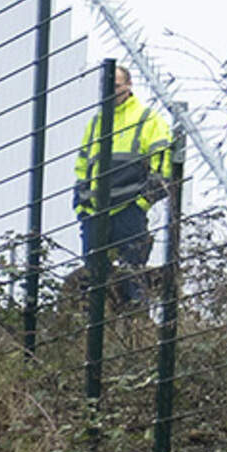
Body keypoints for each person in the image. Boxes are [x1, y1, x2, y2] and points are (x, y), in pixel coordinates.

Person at [72, 64, 176, 309]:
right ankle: (95, 333)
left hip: (129, 210)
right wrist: (82, 205)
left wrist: (141, 203)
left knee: (133, 275)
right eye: (106, 87)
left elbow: (163, 167)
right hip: (97, 212)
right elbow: (83, 166)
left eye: (116, 86)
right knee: (94, 280)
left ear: (129, 86)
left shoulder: (147, 118)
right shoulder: (96, 123)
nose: (110, 92)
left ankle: (135, 331)